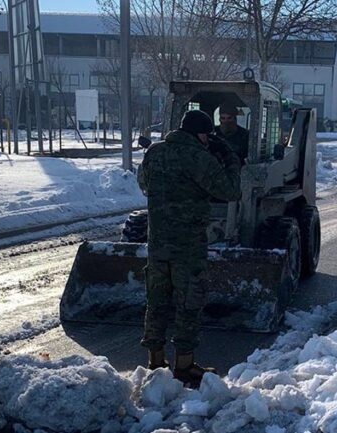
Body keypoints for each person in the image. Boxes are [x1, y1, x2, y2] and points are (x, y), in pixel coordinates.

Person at [137, 109, 241, 387]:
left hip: (157, 242)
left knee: (157, 300)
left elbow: (143, 184)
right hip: (188, 245)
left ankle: (155, 361)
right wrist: (228, 155)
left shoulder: (155, 153)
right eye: (207, 136)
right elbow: (230, 191)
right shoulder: (199, 157)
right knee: (188, 302)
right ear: (200, 134)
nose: (209, 140)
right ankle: (184, 364)